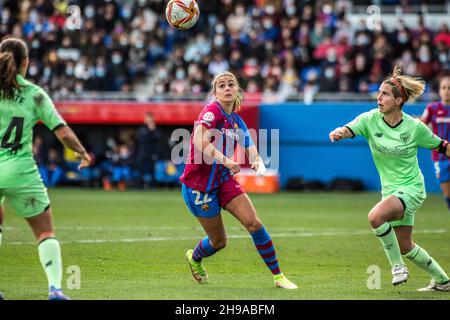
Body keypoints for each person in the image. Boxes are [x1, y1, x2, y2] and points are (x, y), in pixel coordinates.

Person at [329, 66, 450, 292]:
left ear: (398, 100)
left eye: (384, 94)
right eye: (379, 93)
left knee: (375, 216)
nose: (379, 97)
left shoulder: (415, 128)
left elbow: (443, 147)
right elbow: (349, 128)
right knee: (405, 246)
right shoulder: (370, 119)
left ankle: (397, 267)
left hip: (412, 189)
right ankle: (443, 281)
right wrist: (338, 132)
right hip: (391, 192)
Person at [180, 71, 297, 289]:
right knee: (219, 242)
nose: (226, 88)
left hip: (223, 181)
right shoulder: (211, 111)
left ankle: (279, 277)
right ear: (215, 92)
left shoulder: (237, 121)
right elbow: (197, 139)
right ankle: (194, 257)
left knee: (254, 223)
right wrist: (225, 160)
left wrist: (258, 162)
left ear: (237, 90)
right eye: (221, 85)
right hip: (198, 187)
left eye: (230, 84)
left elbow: (250, 148)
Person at [0, 37, 91, 300]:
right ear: (25, 62)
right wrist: (82, 152)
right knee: (45, 232)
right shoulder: (34, 94)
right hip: (20, 171)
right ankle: (55, 288)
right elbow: (62, 131)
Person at [421, 72, 450, 212]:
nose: (446, 91)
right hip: (440, 157)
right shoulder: (432, 109)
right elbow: (420, 125)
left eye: (449, 88)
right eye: (444, 88)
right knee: (448, 193)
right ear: (439, 90)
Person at [136, 112, 163, 189]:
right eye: (148, 119)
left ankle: (153, 186)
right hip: (143, 153)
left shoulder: (156, 129)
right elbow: (142, 139)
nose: (150, 121)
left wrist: (152, 131)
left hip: (153, 153)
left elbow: (158, 139)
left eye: (151, 120)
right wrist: (151, 132)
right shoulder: (141, 129)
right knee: (140, 170)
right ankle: (139, 186)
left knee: (153, 170)